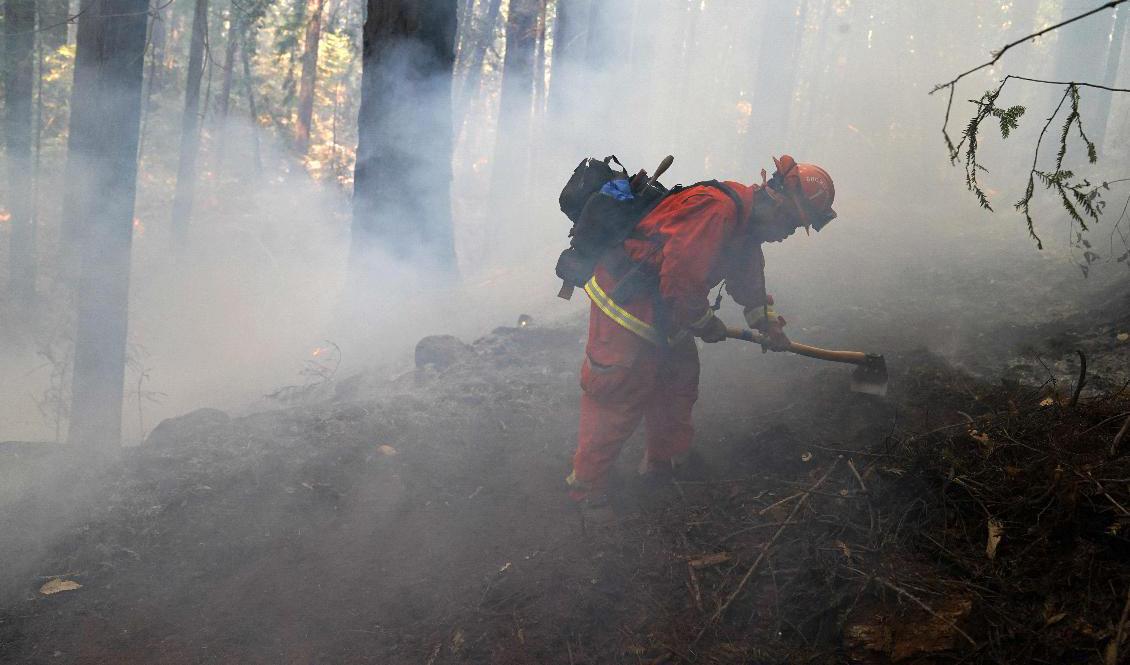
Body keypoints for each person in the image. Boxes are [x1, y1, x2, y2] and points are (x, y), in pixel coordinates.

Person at [565, 155, 837, 505]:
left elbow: (747, 278)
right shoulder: (717, 211)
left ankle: (664, 468)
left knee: (678, 379)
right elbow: (680, 280)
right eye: (793, 224)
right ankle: (587, 489)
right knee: (618, 394)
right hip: (625, 304)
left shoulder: (745, 224)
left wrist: (767, 323)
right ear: (778, 205)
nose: (787, 235)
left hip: (666, 310)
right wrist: (705, 323)